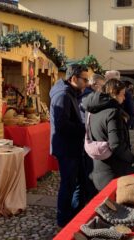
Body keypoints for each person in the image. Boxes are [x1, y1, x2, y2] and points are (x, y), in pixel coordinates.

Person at [50, 63, 87, 228]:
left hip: (72, 146)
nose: (87, 83)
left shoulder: (72, 92)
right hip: (67, 148)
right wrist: (84, 128)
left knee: (77, 182)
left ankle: (73, 215)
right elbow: (62, 125)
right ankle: (64, 219)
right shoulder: (63, 95)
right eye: (84, 80)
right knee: (68, 184)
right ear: (73, 79)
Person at [82, 79, 134, 190]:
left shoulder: (91, 110)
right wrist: (131, 158)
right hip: (113, 171)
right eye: (122, 95)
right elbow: (116, 145)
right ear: (114, 93)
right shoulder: (112, 112)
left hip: (98, 168)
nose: (124, 98)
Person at [77, 73, 105, 204]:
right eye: (102, 86)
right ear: (95, 85)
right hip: (88, 140)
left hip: (88, 139)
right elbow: (85, 120)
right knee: (89, 175)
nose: (103, 89)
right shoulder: (89, 97)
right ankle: (86, 205)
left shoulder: (90, 95)